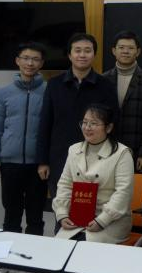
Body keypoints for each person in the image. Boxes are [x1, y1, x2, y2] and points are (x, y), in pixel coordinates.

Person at [38, 33, 119, 197]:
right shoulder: (54, 85)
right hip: (60, 158)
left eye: (87, 51)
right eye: (77, 50)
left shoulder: (106, 86)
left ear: (94, 55)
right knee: (62, 206)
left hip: (96, 159)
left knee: (90, 207)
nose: (82, 55)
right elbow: (45, 123)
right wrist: (42, 161)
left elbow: (114, 123)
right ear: (69, 55)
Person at [0, 42, 48, 235]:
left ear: (41, 63)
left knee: (36, 216)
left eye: (35, 59)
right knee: (11, 215)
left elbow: (52, 128)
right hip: (10, 164)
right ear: (17, 61)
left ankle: (34, 254)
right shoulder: (3, 93)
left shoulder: (49, 91)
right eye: (26, 58)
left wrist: (47, 160)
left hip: (38, 164)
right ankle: (10, 254)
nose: (30, 63)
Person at [52, 104, 134, 243]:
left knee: (84, 246)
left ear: (109, 128)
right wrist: (62, 213)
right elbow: (65, 184)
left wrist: (102, 220)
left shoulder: (122, 154)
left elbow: (123, 193)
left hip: (111, 221)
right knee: (60, 246)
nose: (87, 127)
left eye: (94, 123)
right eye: (85, 122)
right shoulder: (74, 150)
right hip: (77, 218)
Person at [102, 30, 142, 173]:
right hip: (106, 150)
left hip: (136, 153)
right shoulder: (103, 81)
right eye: (121, 47)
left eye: (130, 48)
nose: (125, 51)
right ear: (114, 51)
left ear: (138, 52)